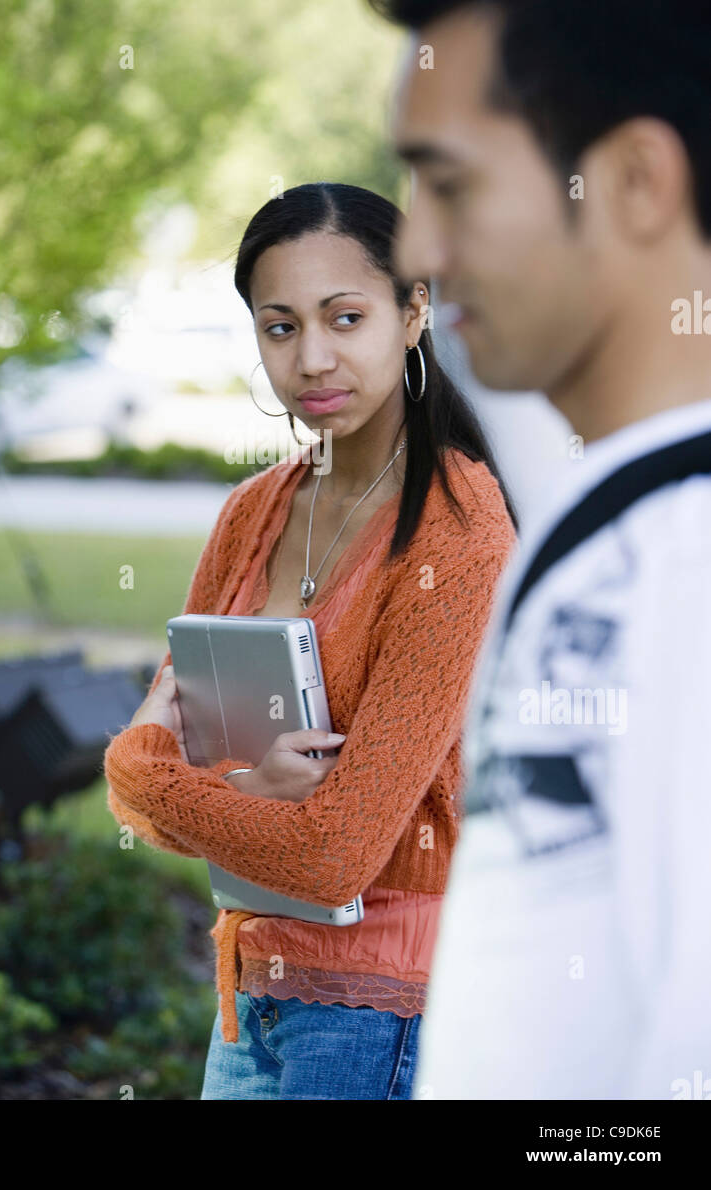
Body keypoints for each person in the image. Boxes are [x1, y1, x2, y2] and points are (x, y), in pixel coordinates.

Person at [364, 0, 711, 1099]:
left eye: (447, 182)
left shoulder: (682, 558)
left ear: (630, 181)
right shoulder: (628, 529)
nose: (412, 244)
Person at [103, 181, 517, 1100]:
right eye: (281, 327)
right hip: (250, 993)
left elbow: (333, 853)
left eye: (346, 317)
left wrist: (139, 772)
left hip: (376, 1016)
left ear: (414, 313)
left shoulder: (457, 530)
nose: (314, 358)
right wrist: (246, 791)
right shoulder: (254, 512)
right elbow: (180, 788)